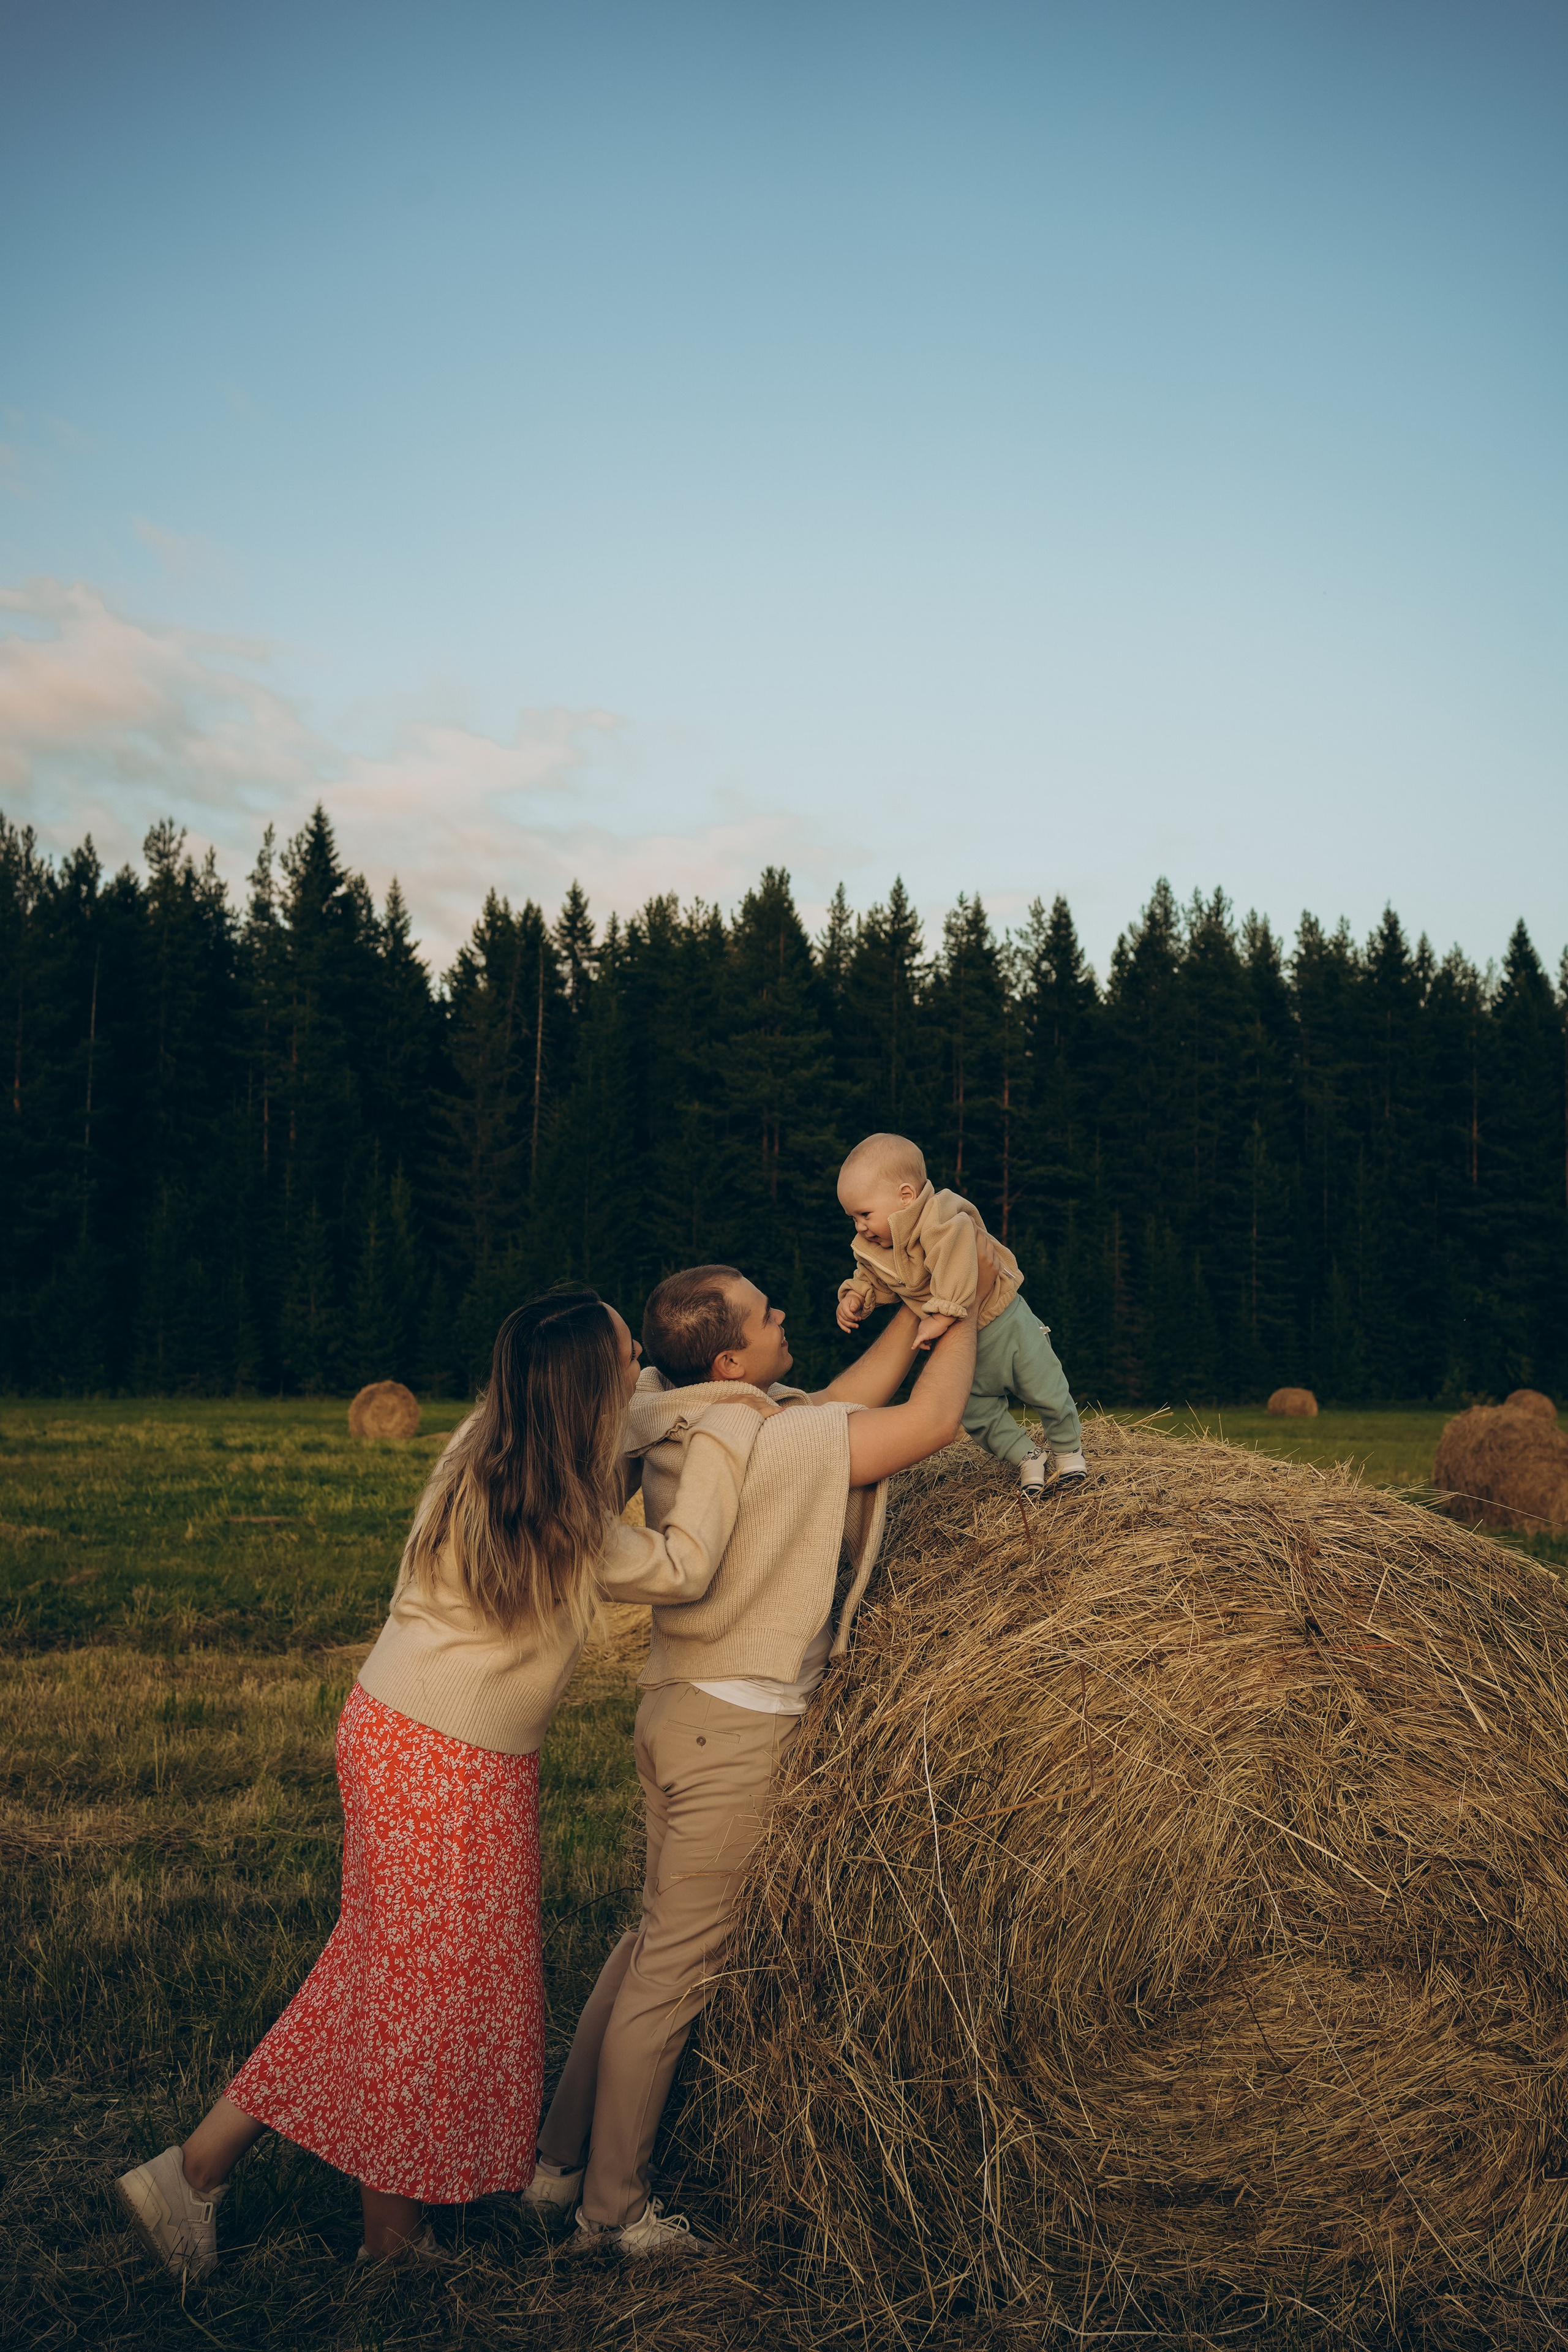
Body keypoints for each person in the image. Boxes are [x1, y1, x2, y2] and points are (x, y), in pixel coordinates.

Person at [115, 1288, 755, 2284]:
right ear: (589, 1388)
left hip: (398, 1735)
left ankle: (192, 2173)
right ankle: (392, 2251)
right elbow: (685, 1564)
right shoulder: (561, 1515)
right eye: (632, 1358)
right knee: (425, 2001)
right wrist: (725, 1429)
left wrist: (684, 1405)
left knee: (374, 1977)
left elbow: (621, 1427)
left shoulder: (488, 1446)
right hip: (445, 1767)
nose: (647, 1373)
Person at [526, 1265, 978, 2255]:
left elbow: (845, 1399)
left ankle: (556, 2167)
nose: (786, 1316)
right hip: (735, 1728)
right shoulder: (779, 1437)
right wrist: (977, 1310)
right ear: (733, 1356)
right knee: (675, 1976)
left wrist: (918, 1311)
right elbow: (931, 1421)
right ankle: (616, 2213)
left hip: (674, 1708)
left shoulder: (690, 1413)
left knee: (649, 1943)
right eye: (770, 1313)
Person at [835, 1130, 1087, 1502]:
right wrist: (858, 1295)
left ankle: (1068, 1454)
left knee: (1047, 1389)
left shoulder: (942, 1218)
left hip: (1005, 1324)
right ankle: (1027, 1457)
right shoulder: (880, 1243)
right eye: (852, 1217)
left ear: (905, 1196)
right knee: (977, 1415)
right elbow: (875, 1276)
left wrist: (944, 1312)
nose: (859, 1226)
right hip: (963, 1348)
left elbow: (958, 1259)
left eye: (865, 1214)